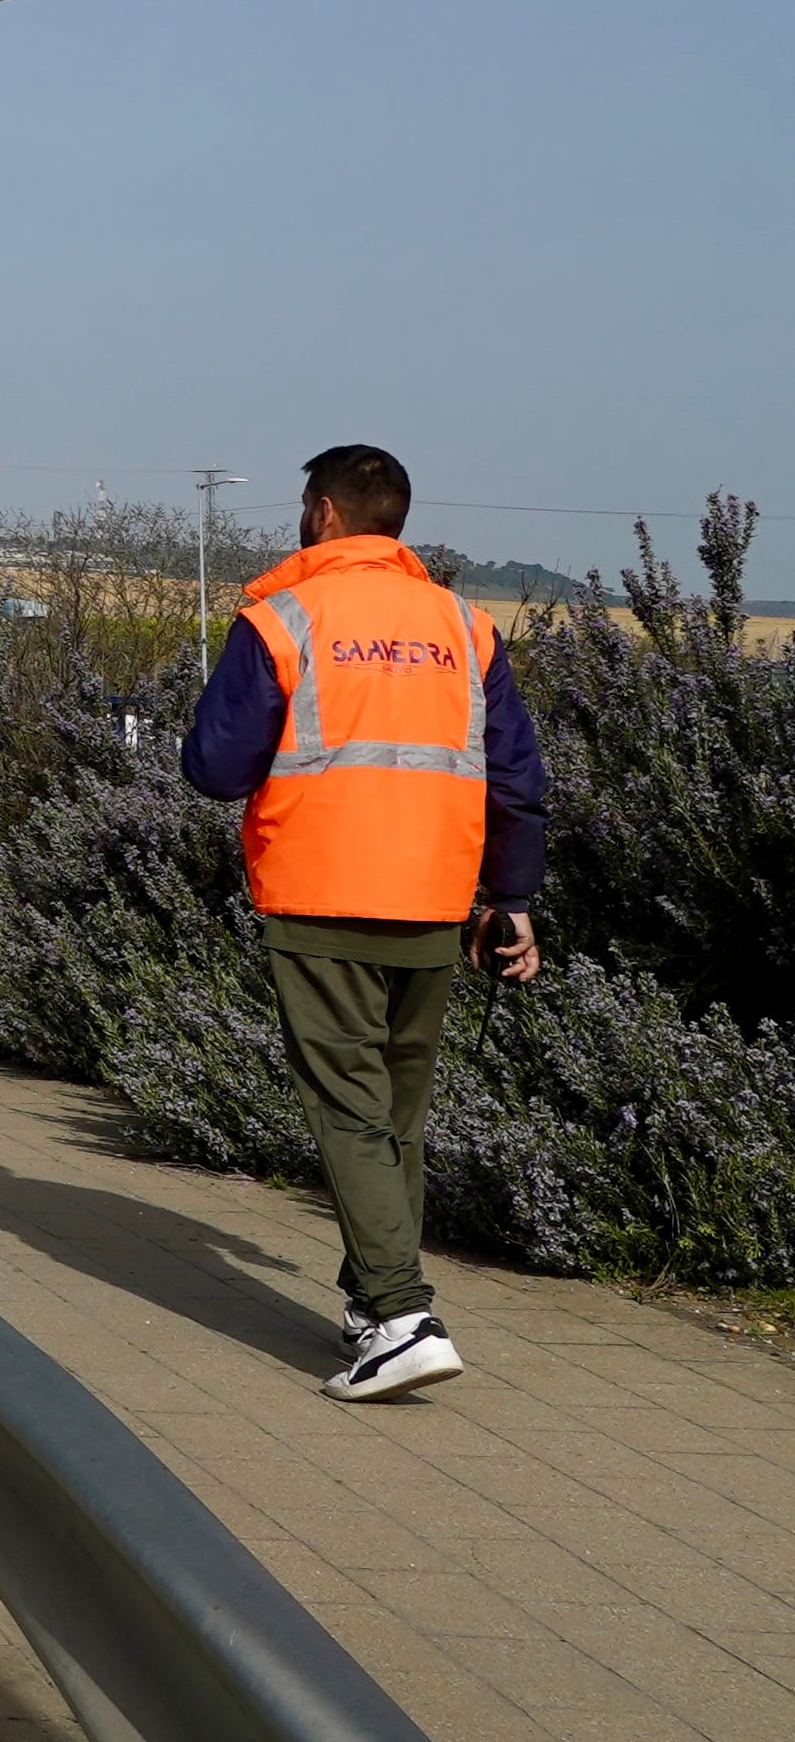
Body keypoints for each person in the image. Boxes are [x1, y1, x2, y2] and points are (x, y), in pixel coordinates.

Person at [183, 444, 546, 1405]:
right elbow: (515, 775)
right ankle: (370, 1305)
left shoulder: (282, 617)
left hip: (320, 893)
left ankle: (400, 1315)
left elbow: (216, 766)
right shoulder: (466, 626)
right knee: (396, 1117)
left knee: (348, 1109)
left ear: (323, 512)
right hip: (433, 900)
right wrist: (510, 900)